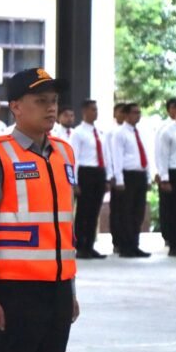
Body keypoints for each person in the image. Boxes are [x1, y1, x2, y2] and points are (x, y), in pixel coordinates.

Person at [0, 68, 80, 352]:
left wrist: (71, 291)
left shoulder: (65, 153)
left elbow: (65, 231)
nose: (50, 108)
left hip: (58, 291)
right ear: (15, 107)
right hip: (16, 293)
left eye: (54, 101)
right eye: (40, 101)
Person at [70, 99, 111, 259]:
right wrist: (74, 181)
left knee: (94, 211)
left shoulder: (100, 132)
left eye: (96, 109)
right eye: (93, 110)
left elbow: (105, 156)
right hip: (85, 173)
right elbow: (74, 158)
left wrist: (107, 178)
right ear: (84, 111)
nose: (96, 113)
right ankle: (80, 246)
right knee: (83, 212)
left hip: (98, 172)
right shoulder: (78, 132)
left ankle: (90, 245)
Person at [111, 103, 152, 257]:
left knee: (138, 212)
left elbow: (144, 155)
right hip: (128, 175)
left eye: (139, 112)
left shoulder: (140, 132)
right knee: (126, 212)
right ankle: (125, 246)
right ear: (127, 115)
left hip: (140, 174)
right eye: (135, 112)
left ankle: (135, 244)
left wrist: (148, 176)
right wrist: (119, 179)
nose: (138, 115)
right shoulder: (120, 133)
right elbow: (117, 157)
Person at [156, 99, 176, 257]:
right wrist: (164, 178)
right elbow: (162, 156)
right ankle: (175, 244)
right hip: (175, 173)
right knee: (175, 211)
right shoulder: (168, 131)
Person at [106, 102, 127, 254]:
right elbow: (108, 155)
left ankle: (127, 240)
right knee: (117, 209)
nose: (123, 115)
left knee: (128, 210)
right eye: (120, 112)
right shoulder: (110, 132)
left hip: (128, 174)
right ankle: (117, 241)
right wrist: (111, 175)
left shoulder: (130, 131)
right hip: (115, 174)